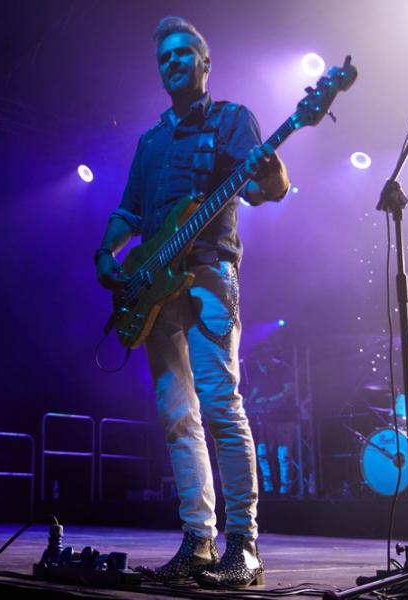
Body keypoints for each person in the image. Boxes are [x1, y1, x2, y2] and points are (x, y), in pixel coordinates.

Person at [95, 16, 289, 587]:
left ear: (206, 63)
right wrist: (106, 252)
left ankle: (244, 546)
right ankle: (198, 541)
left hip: (208, 272)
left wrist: (275, 170)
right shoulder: (151, 141)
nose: (173, 62)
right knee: (177, 416)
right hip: (155, 287)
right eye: (165, 57)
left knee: (220, 404)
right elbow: (129, 210)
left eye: (183, 53)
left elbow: (264, 189)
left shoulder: (232, 119)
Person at [244, 354, 296, 496]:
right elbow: (255, 390)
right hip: (266, 420)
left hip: (285, 418)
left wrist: (268, 400)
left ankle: (285, 489)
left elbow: (289, 390)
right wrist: (249, 400)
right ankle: (268, 488)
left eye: (262, 362)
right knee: (262, 453)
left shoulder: (284, 369)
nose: (260, 365)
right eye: (259, 363)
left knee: (284, 454)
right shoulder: (259, 373)